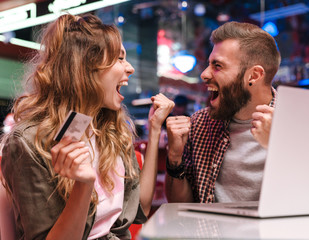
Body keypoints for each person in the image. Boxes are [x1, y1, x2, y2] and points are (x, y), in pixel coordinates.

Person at [0, 14, 174, 240]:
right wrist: (83, 185)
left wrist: (155, 127)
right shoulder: (28, 142)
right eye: (119, 58)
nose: (129, 68)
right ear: (86, 68)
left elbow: (141, 206)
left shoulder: (110, 129)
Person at [165, 21, 281, 203]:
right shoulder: (199, 124)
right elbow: (179, 208)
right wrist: (174, 158)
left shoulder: (296, 125)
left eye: (217, 66)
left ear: (254, 76)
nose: (204, 74)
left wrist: (277, 146)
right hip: (212, 232)